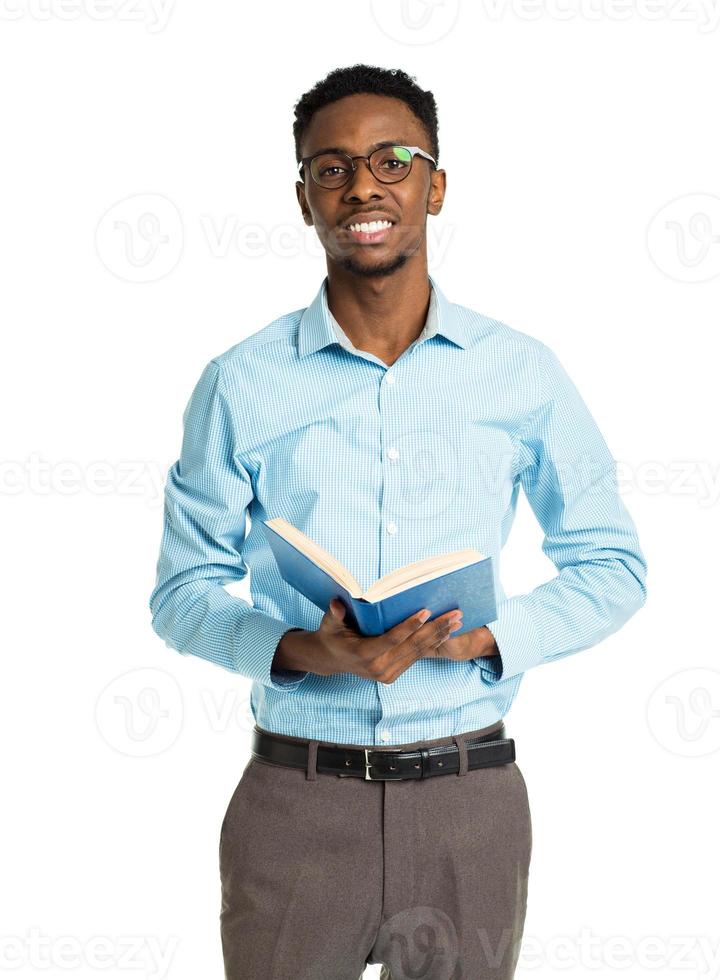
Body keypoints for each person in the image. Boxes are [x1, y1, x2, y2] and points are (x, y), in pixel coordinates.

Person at [148, 64, 648, 980]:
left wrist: (493, 639)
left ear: (435, 184)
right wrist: (303, 650)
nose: (364, 185)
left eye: (392, 159)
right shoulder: (239, 382)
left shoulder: (522, 372)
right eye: (332, 168)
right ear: (304, 200)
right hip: (296, 804)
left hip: (470, 803)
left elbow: (612, 564)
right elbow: (181, 595)